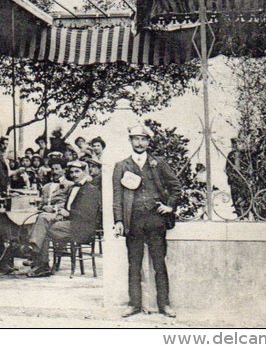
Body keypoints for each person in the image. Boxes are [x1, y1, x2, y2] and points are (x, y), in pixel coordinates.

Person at [113, 122, 181, 318]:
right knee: (134, 263)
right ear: (130, 141)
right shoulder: (121, 166)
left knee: (159, 263)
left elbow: (176, 186)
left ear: (148, 142)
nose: (140, 142)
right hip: (133, 221)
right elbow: (117, 196)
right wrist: (119, 221)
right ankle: (134, 304)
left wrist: (170, 206)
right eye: (136, 139)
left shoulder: (158, 163)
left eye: (143, 139)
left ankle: (164, 304)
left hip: (155, 220)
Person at [27, 160, 102, 276]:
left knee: (44, 231)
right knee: (42, 217)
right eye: (72, 172)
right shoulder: (73, 188)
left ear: (84, 172)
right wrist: (60, 212)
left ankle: (38, 260)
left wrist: (69, 213)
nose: (74, 175)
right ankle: (37, 255)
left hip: (82, 227)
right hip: (69, 222)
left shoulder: (91, 189)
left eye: (77, 171)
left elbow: (89, 214)